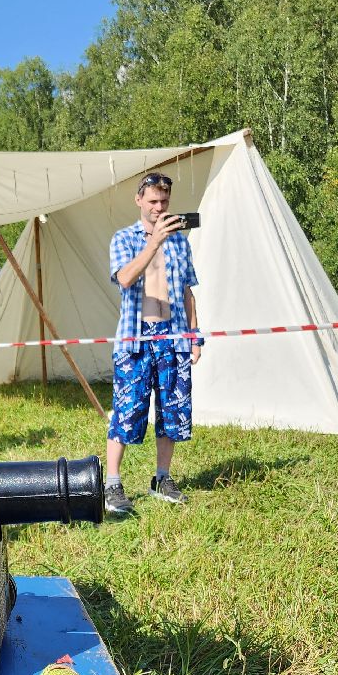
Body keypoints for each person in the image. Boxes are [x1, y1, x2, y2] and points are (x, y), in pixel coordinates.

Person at [104, 172, 202, 512]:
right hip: (136, 336)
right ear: (139, 201)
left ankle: (162, 477)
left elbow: (188, 292)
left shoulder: (180, 241)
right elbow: (126, 278)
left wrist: (195, 336)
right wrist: (154, 242)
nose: (159, 208)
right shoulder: (124, 238)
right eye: (153, 202)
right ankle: (113, 484)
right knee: (127, 411)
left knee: (172, 412)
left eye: (164, 202)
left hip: (173, 335)